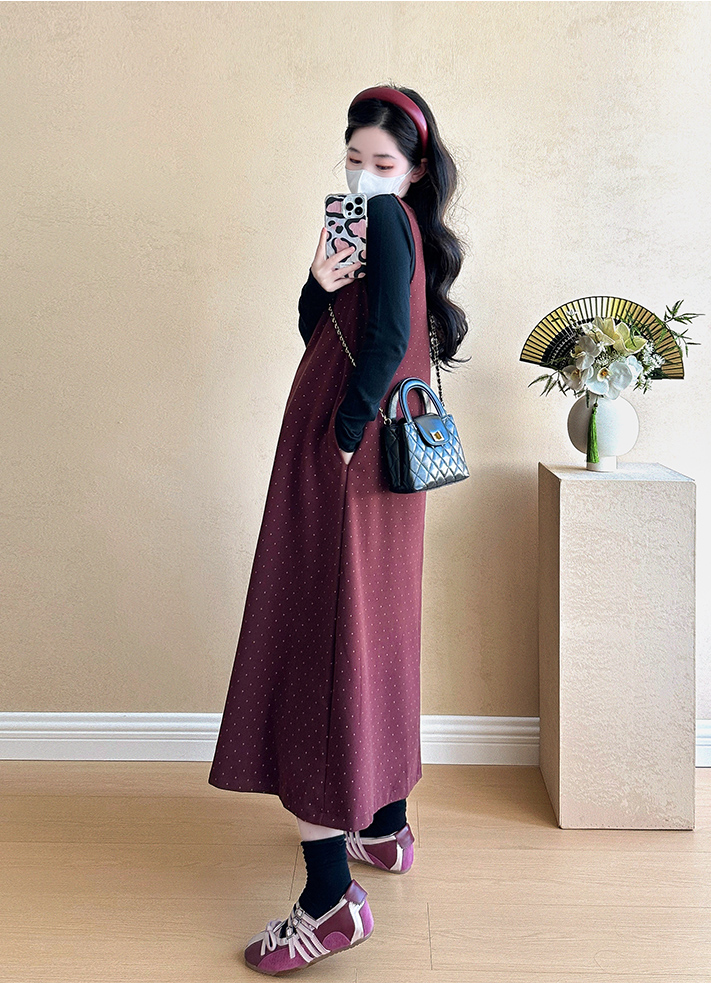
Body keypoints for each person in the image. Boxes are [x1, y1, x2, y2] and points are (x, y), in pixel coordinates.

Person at [207, 84, 468, 976]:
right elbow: (331, 332)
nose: (363, 177)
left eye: (382, 163)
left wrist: (343, 434)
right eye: (353, 160)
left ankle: (329, 903)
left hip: (347, 457)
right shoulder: (401, 228)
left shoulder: (387, 219)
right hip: (388, 465)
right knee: (373, 634)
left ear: (416, 169)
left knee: (317, 645)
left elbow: (386, 335)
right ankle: (385, 828)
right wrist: (315, 285)